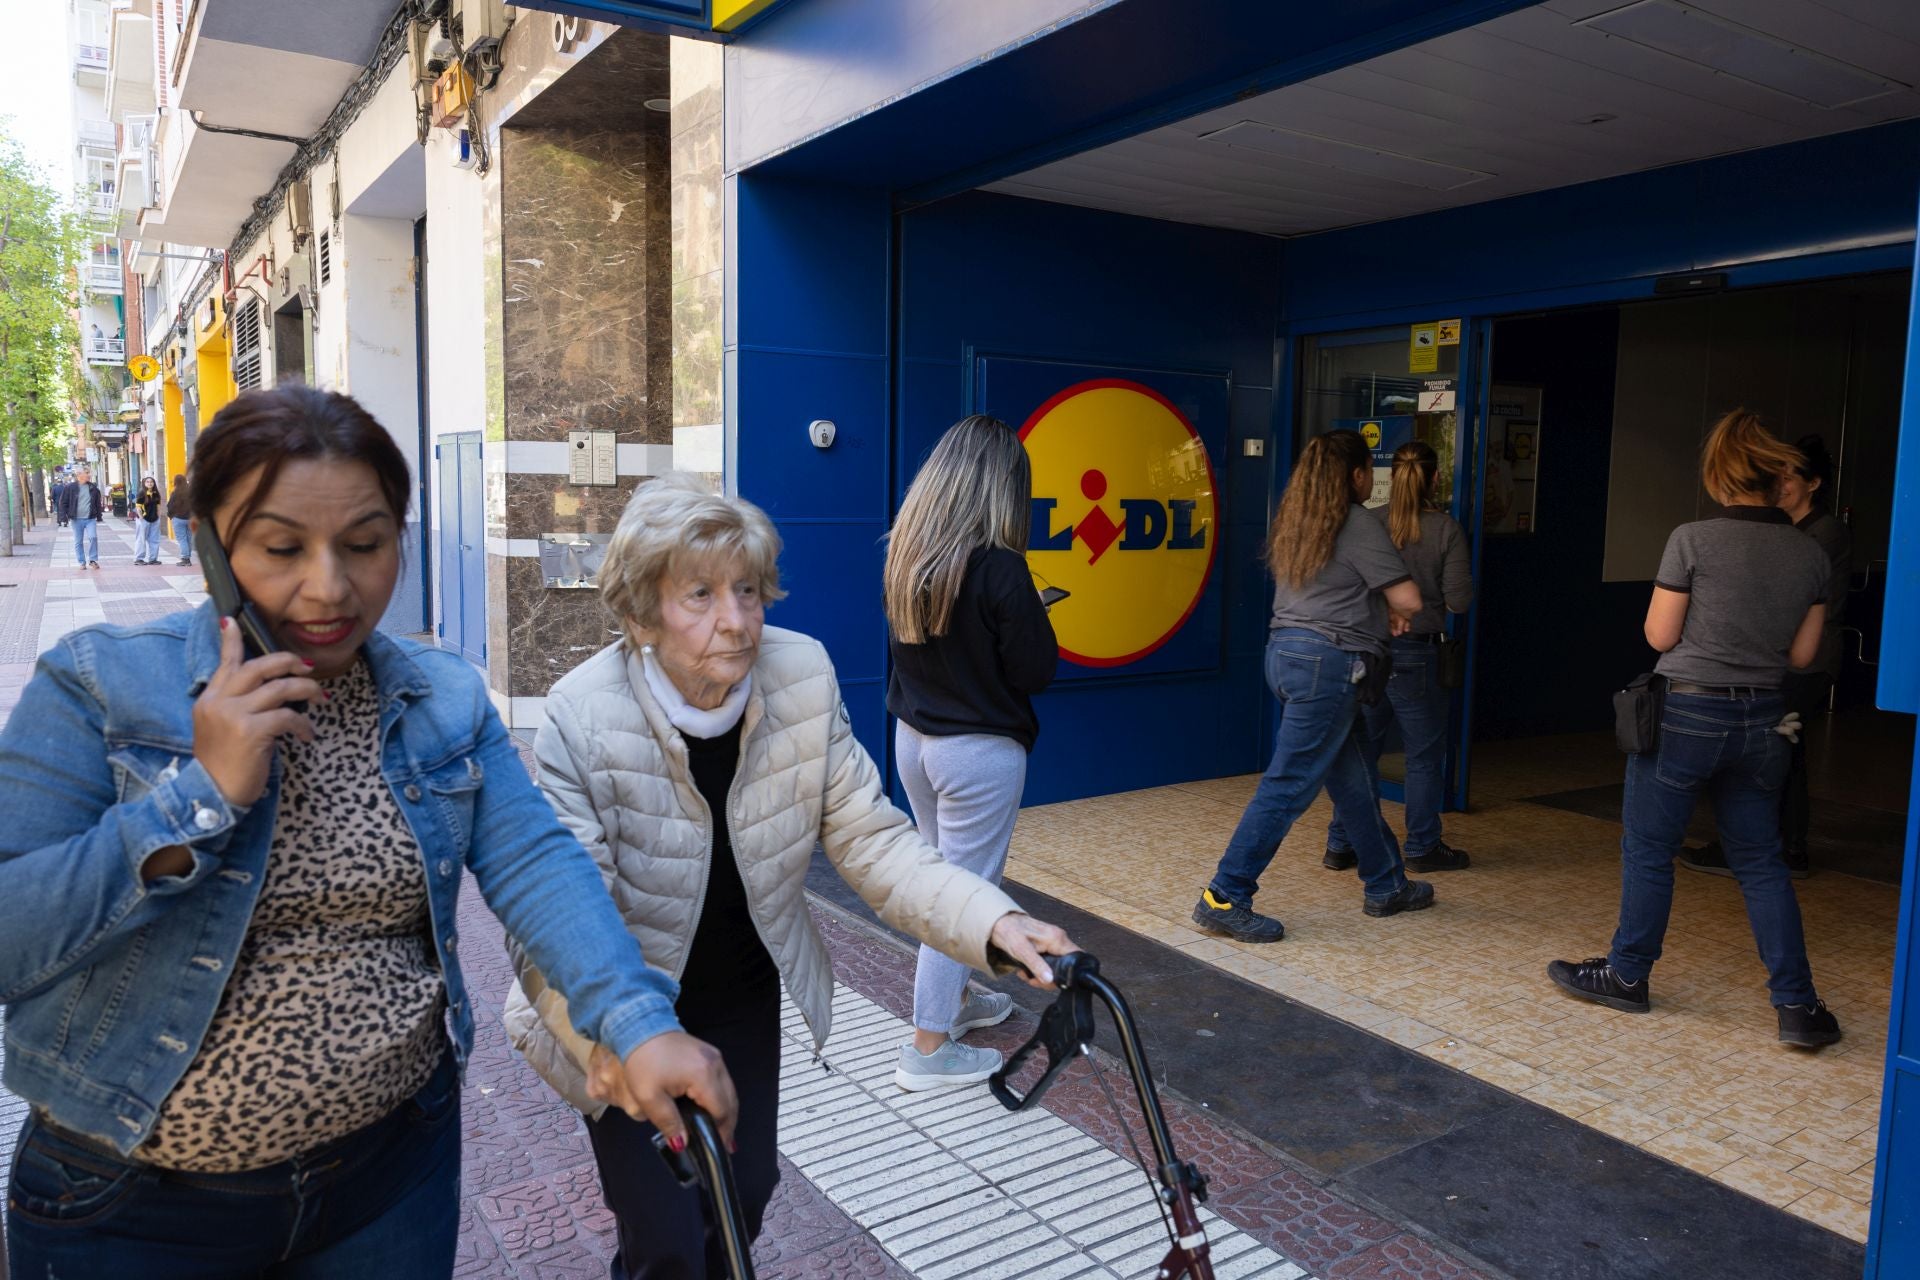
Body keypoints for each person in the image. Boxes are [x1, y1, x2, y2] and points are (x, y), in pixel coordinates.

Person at [0, 387, 737, 1279]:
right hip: (135, 1206)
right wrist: (197, 797)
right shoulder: (99, 683)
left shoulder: (438, 696)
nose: (331, 587)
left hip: (389, 1175)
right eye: (281, 548)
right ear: (212, 551)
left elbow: (539, 864)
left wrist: (633, 1020)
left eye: (364, 544)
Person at [502, 471, 1077, 1280]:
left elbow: (875, 840)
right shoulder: (580, 714)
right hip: (621, 1000)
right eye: (698, 595)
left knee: (745, 1193)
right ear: (641, 612)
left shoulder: (800, 674)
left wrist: (989, 921)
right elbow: (557, 909)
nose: (735, 622)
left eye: (746, 590)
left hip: (741, 987)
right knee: (663, 1234)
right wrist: (621, 1035)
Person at [1549, 409, 1840, 1048]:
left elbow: (1659, 635)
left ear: (1719, 479)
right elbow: (1801, 658)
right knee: (1761, 861)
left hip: (1688, 713)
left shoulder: (1692, 540)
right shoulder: (1809, 553)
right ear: (1775, 482)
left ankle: (1627, 975)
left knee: (1651, 850)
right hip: (1765, 718)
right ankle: (1798, 1007)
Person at [1192, 429, 1434, 943]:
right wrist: (1389, 606)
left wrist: (1375, 607)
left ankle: (1387, 884)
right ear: (1353, 476)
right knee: (1288, 784)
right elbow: (1410, 599)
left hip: (1287, 656)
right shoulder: (1357, 523)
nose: (1372, 478)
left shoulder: (1298, 523)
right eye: (1369, 469)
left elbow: (1334, 590)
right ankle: (1225, 894)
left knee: (1349, 778)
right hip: (1328, 665)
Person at [885, 415, 1058, 1090]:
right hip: (978, 755)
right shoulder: (1002, 568)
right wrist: (1033, 614)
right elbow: (1033, 671)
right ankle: (928, 1049)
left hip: (915, 744)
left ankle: (955, 1003)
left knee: (943, 883)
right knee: (960, 896)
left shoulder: (907, 553)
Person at [1681, 434, 1849, 881]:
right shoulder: (1787, 534)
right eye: (1779, 475)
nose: (1782, 483)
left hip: (1804, 664)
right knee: (1775, 749)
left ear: (1813, 483)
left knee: (1780, 750)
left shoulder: (1822, 535)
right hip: (1778, 661)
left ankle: (1783, 848)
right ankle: (1764, 845)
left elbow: (1808, 610)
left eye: (1792, 475)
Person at [1324, 440, 1474, 873]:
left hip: (1367, 652)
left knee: (1360, 752)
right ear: (1436, 478)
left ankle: (1341, 843)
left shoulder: (1366, 522)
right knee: (1423, 757)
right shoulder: (1445, 529)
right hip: (1419, 655)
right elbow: (1459, 601)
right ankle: (1423, 847)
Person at [55, 465, 104, 569]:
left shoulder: (93, 487)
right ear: (79, 475)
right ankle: (82, 562)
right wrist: (63, 517)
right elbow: (63, 502)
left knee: (93, 537)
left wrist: (99, 516)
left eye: (89, 473)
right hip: (76, 519)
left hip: (90, 518)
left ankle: (93, 560)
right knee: (78, 541)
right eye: (87, 473)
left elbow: (97, 503)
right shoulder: (70, 487)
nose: (89, 475)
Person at [132, 474, 164, 564]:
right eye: (147, 482)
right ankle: (139, 559)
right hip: (144, 520)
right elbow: (138, 507)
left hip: (154, 519)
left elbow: (158, 506)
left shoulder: (156, 493)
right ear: (144, 483)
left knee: (155, 539)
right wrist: (141, 518)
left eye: (151, 482)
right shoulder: (141, 493)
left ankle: (153, 559)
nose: (150, 483)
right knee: (141, 539)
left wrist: (158, 517)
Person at [168, 472, 194, 565]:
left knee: (182, 539)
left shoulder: (175, 493)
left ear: (175, 482)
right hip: (190, 519)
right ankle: (188, 557)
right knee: (188, 539)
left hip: (178, 519)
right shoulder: (191, 492)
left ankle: (185, 559)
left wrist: (170, 516)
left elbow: (170, 505)